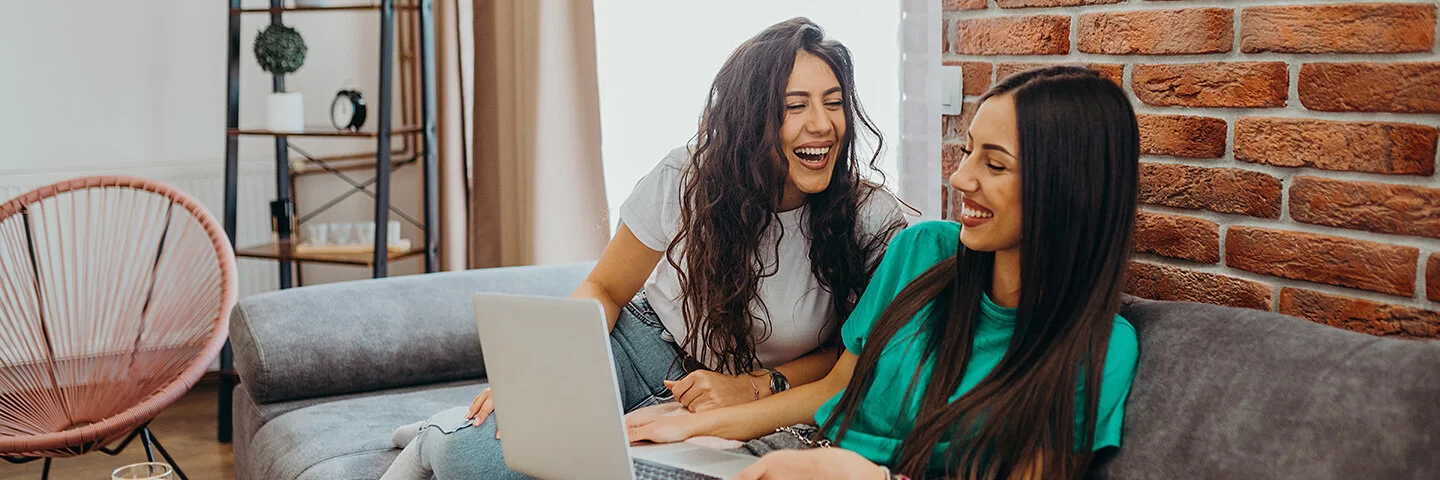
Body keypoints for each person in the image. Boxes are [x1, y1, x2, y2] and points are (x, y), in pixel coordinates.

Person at [380, 17, 908, 479]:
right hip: (643, 348)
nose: (822, 124)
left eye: (834, 103)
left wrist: (755, 385)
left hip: (754, 395)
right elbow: (606, 286)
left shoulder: (872, 219)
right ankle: (436, 434)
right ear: (753, 118)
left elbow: (849, 359)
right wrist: (548, 366)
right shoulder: (688, 177)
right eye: (796, 106)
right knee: (479, 460)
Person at [627, 65, 1143, 480]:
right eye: (967, 152)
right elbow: (835, 390)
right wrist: (693, 428)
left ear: (1068, 189)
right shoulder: (923, 252)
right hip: (786, 455)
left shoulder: (1098, 349)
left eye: (995, 164)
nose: (961, 177)